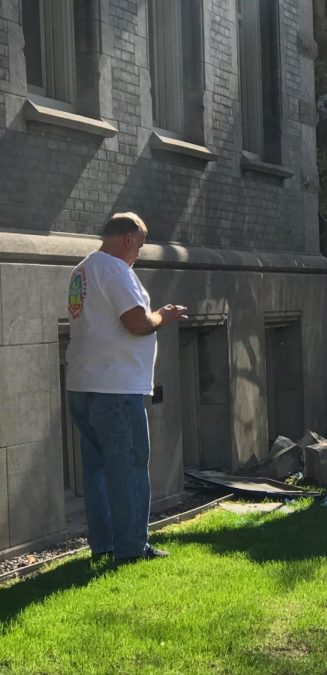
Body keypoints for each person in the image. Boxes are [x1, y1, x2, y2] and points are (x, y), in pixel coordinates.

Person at [65, 212, 187, 562]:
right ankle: (132, 549)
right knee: (130, 467)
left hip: (82, 385)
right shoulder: (116, 271)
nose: (139, 253)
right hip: (116, 388)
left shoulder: (81, 271)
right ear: (129, 238)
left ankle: (103, 544)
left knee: (97, 470)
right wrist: (163, 315)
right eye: (141, 245)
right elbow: (136, 322)